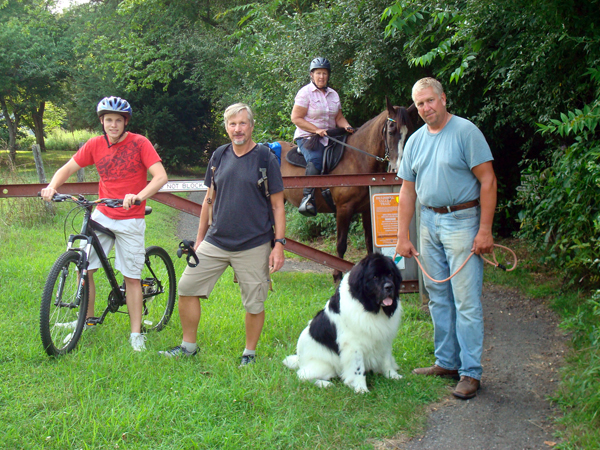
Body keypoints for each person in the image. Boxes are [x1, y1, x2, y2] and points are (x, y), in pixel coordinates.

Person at [160, 103, 286, 367]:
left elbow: (277, 205)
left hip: (254, 244)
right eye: (232, 124)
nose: (237, 129)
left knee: (254, 303)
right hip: (216, 241)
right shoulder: (219, 156)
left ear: (251, 126)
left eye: (242, 123)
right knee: (186, 287)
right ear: (226, 128)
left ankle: (249, 354)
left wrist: (279, 245)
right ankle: (188, 347)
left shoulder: (265, 158)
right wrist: (199, 240)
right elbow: (208, 200)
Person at [394, 78, 497, 400]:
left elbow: (488, 180)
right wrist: (402, 236)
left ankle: (470, 372)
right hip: (428, 221)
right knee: (438, 295)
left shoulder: (466, 132)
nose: (426, 108)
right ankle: (447, 362)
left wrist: (484, 230)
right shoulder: (415, 141)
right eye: (420, 104)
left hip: (463, 221)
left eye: (430, 101)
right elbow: (407, 190)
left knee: (466, 300)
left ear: (443, 99)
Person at [41, 96, 168, 352]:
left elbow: (160, 176)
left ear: (125, 122)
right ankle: (85, 321)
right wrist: (52, 186)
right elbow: (67, 168)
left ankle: (135, 335)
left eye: (118, 120)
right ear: (102, 122)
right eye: (108, 120)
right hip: (103, 213)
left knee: (131, 278)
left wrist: (138, 196)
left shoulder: (139, 143)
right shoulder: (95, 145)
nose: (113, 125)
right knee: (84, 268)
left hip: (130, 217)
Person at [291, 57, 353, 216]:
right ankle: (308, 198)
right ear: (312, 75)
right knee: (316, 158)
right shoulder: (305, 93)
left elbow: (338, 118)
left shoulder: (333, 95)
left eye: (324, 73)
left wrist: (347, 126)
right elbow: (296, 118)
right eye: (318, 73)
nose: (321, 77)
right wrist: (316, 130)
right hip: (308, 137)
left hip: (330, 136)